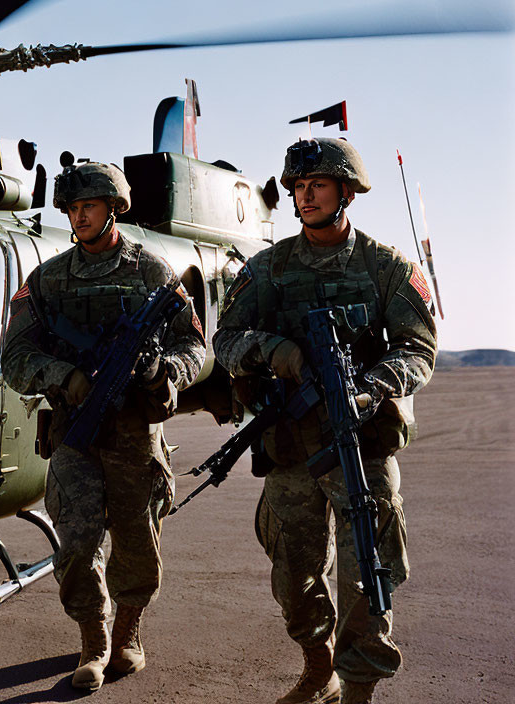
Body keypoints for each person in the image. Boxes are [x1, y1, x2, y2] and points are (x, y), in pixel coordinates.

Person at [213, 138, 437, 704]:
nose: (305, 195)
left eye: (318, 185)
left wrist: (372, 387)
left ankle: (358, 687)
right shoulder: (267, 268)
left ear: (347, 192)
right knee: (293, 572)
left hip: (361, 441)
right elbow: (225, 341)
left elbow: (418, 348)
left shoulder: (385, 267)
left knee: (369, 569)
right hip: (291, 443)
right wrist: (273, 350)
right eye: (298, 186)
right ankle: (318, 669)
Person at [1, 162, 205, 691]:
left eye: (88, 206)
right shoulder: (48, 279)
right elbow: (15, 355)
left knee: (137, 541)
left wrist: (168, 375)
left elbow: (195, 346)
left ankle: (128, 636)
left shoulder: (152, 272)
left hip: (137, 435)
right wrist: (63, 376)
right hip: (75, 433)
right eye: (71, 208)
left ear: (114, 208)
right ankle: (93, 642)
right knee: (75, 543)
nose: (78, 216)